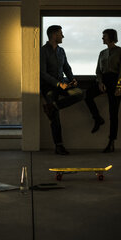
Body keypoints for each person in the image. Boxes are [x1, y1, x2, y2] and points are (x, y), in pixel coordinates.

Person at [40, 25, 83, 155]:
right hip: (49, 86)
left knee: (79, 94)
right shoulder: (43, 51)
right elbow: (42, 73)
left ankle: (53, 106)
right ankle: (59, 146)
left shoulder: (61, 51)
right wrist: (58, 84)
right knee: (55, 118)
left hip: (62, 84)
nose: (62, 36)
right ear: (53, 35)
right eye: (60, 33)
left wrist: (72, 79)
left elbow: (66, 68)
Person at [85, 29, 121, 153]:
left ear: (111, 37)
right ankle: (97, 118)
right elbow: (98, 70)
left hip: (115, 82)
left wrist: (119, 87)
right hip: (104, 81)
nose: (102, 38)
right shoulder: (102, 53)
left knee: (113, 113)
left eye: (104, 36)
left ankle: (111, 142)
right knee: (87, 95)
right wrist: (100, 82)